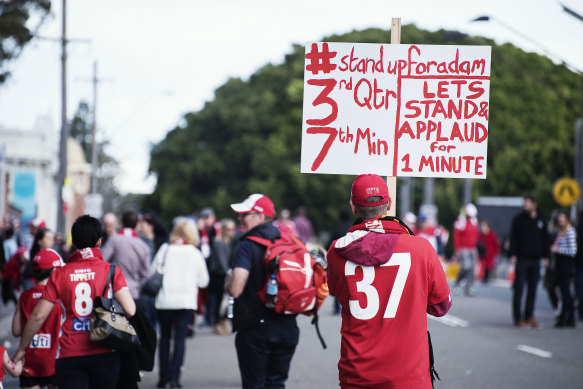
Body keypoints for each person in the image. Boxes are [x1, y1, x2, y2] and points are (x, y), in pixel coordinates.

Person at [326, 174, 452, 388]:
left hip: (357, 374)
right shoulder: (421, 249)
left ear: (353, 207)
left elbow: (338, 294)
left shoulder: (337, 251)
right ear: (389, 205)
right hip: (409, 376)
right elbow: (441, 306)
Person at [12, 214, 136, 389]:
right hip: (105, 351)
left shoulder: (59, 273)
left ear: (75, 243)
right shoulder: (111, 270)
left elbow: (39, 316)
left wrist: (22, 349)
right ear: (99, 242)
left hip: (70, 353)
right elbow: (130, 310)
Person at [227, 194, 299, 388]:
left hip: (255, 328)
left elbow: (235, 288)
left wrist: (228, 281)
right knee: (276, 384)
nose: (239, 219)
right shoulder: (290, 240)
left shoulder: (247, 244)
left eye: (245, 214)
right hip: (287, 326)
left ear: (260, 217)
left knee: (254, 385)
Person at [152, 218, 209, 388]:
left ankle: (163, 376)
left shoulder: (165, 249)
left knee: (165, 338)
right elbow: (204, 281)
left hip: (165, 300)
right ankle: (175, 378)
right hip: (185, 301)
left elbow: (152, 271)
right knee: (179, 340)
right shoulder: (194, 252)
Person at [12, 248, 64, 389]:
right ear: (54, 271)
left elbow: (16, 331)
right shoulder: (59, 298)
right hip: (54, 360)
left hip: (30, 360)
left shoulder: (24, 296)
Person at [509, 194, 549, 328]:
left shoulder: (541, 220)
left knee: (533, 289)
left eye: (528, 202)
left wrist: (546, 256)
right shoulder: (518, 219)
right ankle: (518, 318)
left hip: (536, 260)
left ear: (534, 204)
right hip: (522, 259)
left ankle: (529, 316)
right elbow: (513, 238)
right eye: (524, 202)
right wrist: (512, 254)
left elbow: (545, 240)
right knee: (519, 289)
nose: (525, 205)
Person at [101, 210, 151, 308]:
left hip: (114, 292)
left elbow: (101, 260)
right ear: (137, 224)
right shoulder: (143, 246)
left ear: (121, 223)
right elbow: (146, 274)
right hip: (134, 294)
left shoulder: (114, 240)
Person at [206, 218, 236, 330]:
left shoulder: (228, 242)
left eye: (232, 229)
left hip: (223, 273)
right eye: (228, 229)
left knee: (223, 300)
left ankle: (220, 321)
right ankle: (217, 322)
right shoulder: (219, 243)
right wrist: (229, 273)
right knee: (218, 300)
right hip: (218, 275)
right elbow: (221, 260)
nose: (231, 232)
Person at [550, 210, 577, 327]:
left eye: (563, 218)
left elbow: (572, 251)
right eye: (559, 219)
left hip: (566, 263)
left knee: (565, 291)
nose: (561, 221)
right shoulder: (561, 231)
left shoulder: (570, 231)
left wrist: (559, 250)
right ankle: (566, 315)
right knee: (560, 290)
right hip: (559, 263)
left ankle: (567, 316)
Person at [453, 204, 480, 296]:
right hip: (463, 248)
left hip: (473, 248)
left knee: (472, 268)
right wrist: (457, 249)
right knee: (466, 267)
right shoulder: (461, 220)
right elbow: (456, 235)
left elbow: (476, 233)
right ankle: (457, 282)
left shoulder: (474, 220)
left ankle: (469, 287)